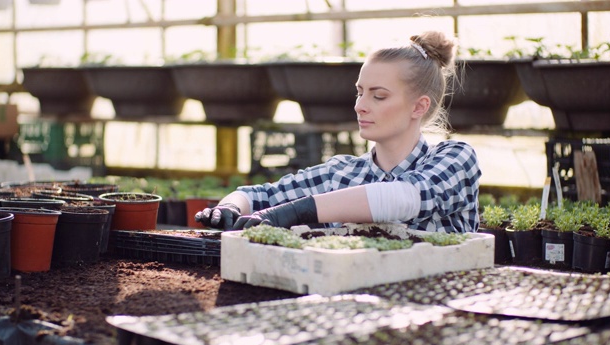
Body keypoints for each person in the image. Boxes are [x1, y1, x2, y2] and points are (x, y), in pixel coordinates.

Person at [195, 30, 482, 233]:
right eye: (360, 93)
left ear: (418, 107)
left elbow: (404, 198)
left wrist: (295, 212)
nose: (360, 106)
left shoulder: (455, 159)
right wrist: (230, 207)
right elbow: (260, 196)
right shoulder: (343, 173)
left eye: (378, 96)